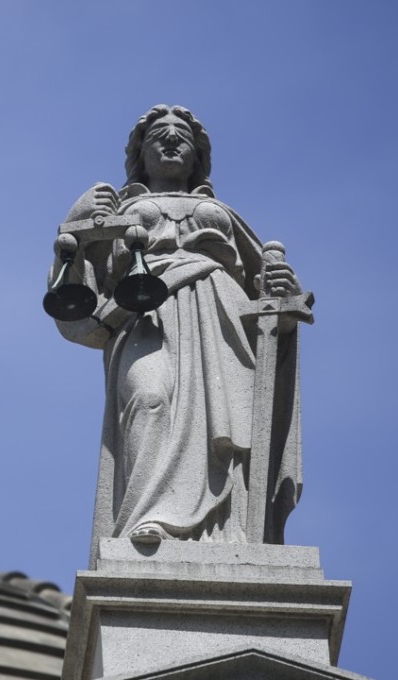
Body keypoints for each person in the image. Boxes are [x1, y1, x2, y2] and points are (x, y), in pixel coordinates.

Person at [51, 105, 304, 559]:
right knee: (149, 398)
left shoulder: (224, 213)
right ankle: (144, 519)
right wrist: (76, 225)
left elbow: (264, 295)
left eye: (181, 135)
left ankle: (229, 534)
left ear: (198, 155)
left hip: (221, 317)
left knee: (225, 425)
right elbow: (78, 313)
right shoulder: (118, 211)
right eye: (158, 136)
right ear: (140, 155)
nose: (170, 141)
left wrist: (282, 298)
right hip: (147, 316)